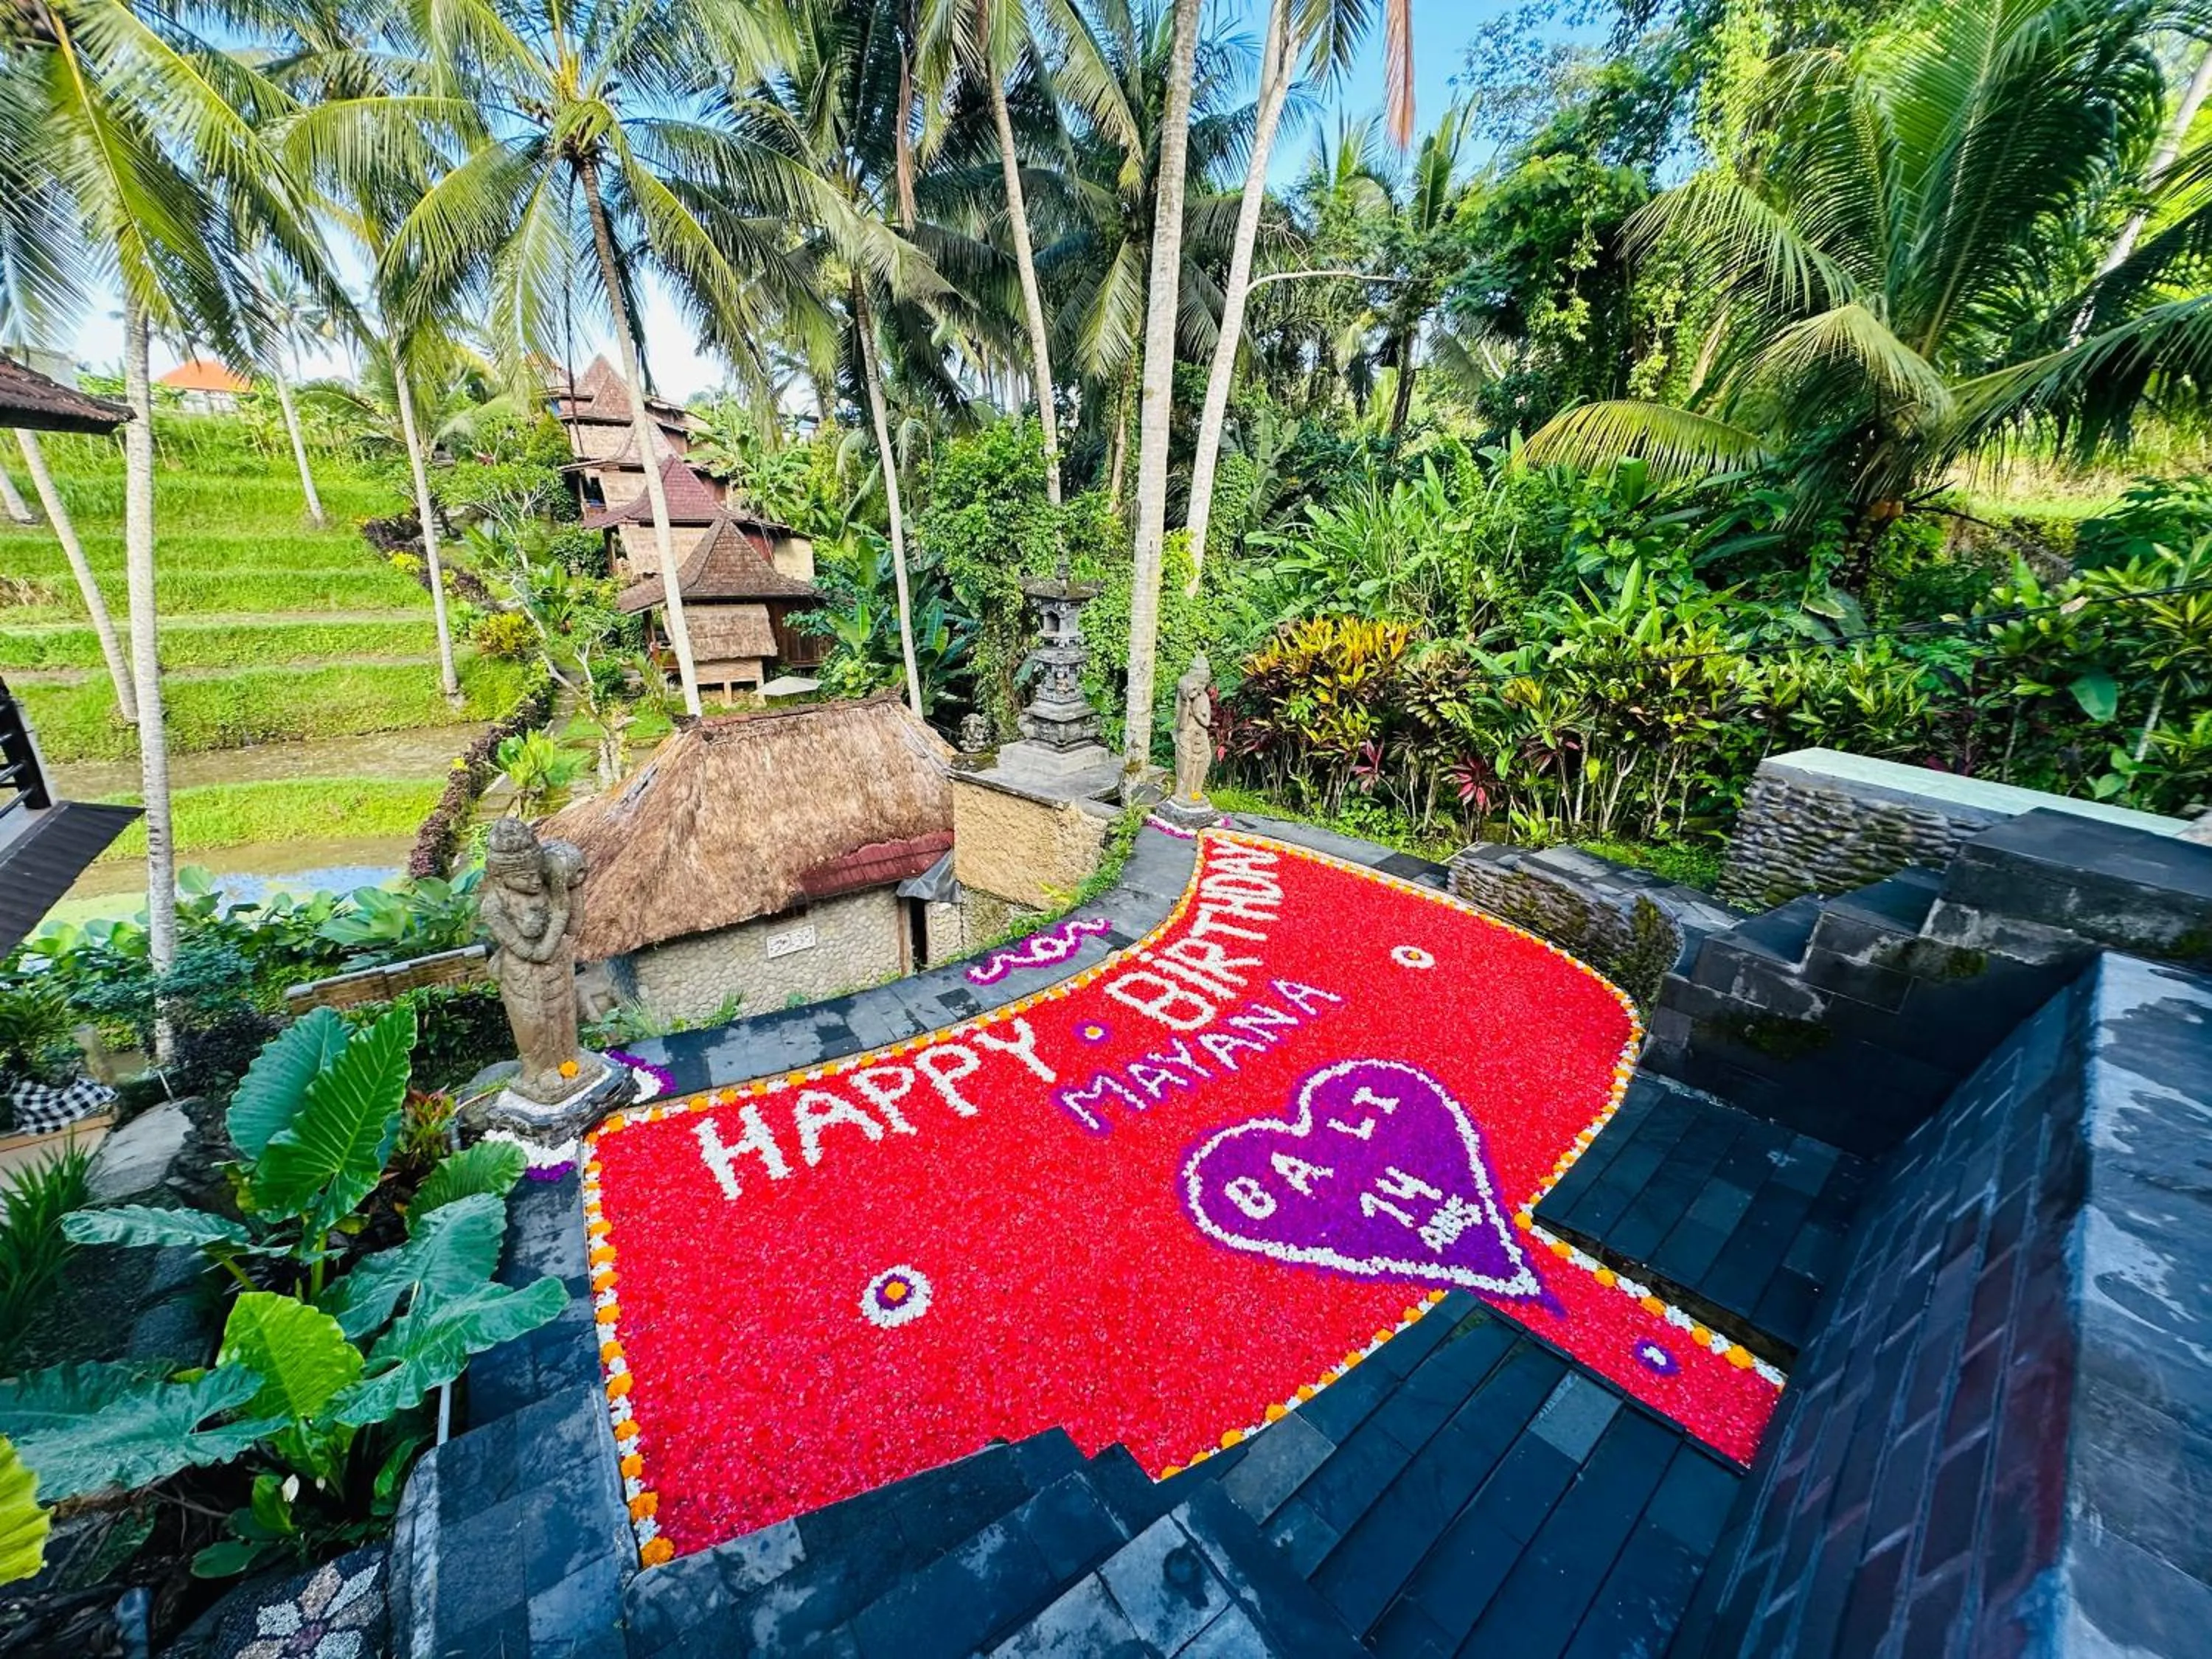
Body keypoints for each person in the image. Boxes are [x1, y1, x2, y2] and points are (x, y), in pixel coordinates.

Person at [479, 816, 604, 1104]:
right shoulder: (494, 906)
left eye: (537, 873)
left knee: (564, 1015)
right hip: (524, 974)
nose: (535, 881)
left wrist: (571, 887)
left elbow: (574, 927)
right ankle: (541, 1070)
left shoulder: (547, 888)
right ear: (499, 876)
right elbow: (534, 952)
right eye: (525, 877)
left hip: (558, 965)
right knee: (534, 1025)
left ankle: (570, 1058)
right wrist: (558, 913)